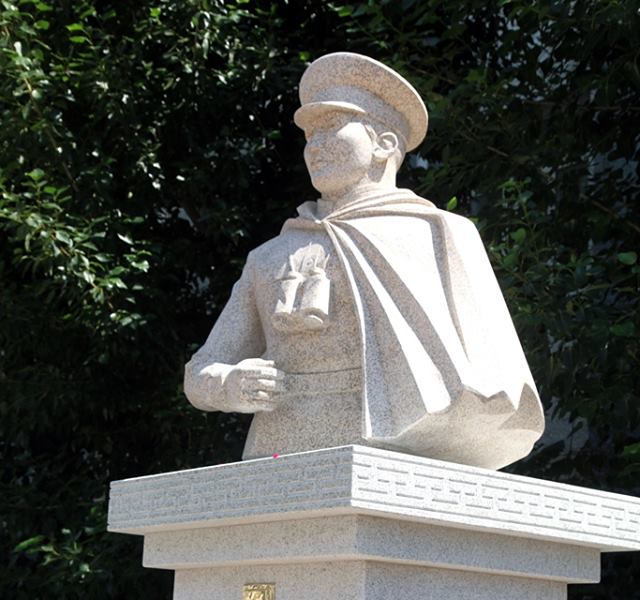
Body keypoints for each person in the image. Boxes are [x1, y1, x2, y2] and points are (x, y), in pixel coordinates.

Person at [184, 52, 545, 469]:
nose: (315, 147)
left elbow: (495, 378)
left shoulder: (439, 235)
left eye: (332, 127)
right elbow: (201, 371)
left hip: (403, 446)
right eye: (310, 135)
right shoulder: (269, 257)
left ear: (384, 143)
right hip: (277, 449)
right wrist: (230, 384)